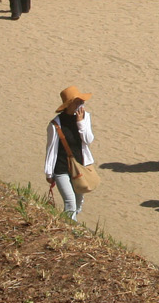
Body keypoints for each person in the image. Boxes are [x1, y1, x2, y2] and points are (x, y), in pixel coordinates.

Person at [44, 86, 95, 220]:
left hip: (79, 168)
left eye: (82, 102)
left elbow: (88, 139)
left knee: (78, 203)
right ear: (69, 104)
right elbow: (51, 149)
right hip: (61, 169)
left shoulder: (85, 117)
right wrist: (49, 173)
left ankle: (71, 224)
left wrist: (81, 123)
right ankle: (71, 230)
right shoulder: (55, 124)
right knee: (70, 203)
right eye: (78, 102)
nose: (81, 105)